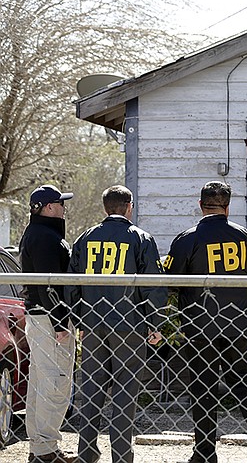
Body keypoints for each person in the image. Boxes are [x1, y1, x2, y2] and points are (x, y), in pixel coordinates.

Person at [163, 181, 247, 463]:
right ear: (227, 207)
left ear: (200, 204)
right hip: (236, 322)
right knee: (242, 378)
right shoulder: (246, 237)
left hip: (199, 324)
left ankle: (205, 453)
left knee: (203, 386)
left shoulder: (187, 238)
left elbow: (171, 281)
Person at [64, 185, 166, 463]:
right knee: (125, 390)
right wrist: (155, 323)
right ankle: (121, 456)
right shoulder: (141, 239)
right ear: (129, 206)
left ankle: (86, 452)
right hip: (129, 324)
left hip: (93, 323)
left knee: (92, 388)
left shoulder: (85, 238)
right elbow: (153, 286)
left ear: (105, 207)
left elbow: (71, 284)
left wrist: (78, 319)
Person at [19, 184, 77, 463]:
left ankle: (42, 448)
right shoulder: (45, 237)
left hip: (41, 318)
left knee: (43, 383)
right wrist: (61, 323)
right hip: (48, 320)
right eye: (61, 204)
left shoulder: (41, 233)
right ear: (49, 207)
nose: (64, 208)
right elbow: (50, 284)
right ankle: (45, 451)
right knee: (55, 383)